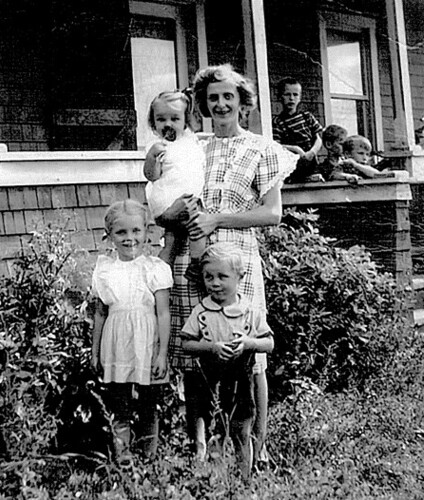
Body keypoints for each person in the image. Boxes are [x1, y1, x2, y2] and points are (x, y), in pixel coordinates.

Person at [161, 64, 296, 468]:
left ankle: (259, 445)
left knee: (250, 353)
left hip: (238, 260)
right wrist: (175, 213)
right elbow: (164, 200)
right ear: (202, 104)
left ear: (241, 104)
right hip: (191, 258)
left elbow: (271, 213)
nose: (220, 104)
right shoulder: (190, 148)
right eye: (212, 97)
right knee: (193, 351)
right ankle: (199, 446)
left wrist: (218, 219)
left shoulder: (261, 148)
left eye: (228, 97)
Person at [90, 199, 173, 466]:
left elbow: (163, 313)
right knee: (119, 403)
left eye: (136, 231)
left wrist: (162, 354)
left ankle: (149, 456)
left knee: (149, 404)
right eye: (121, 233)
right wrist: (95, 352)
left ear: (147, 232)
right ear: (110, 236)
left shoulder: (154, 268)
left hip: (147, 343)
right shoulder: (105, 269)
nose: (130, 239)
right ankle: (123, 456)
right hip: (116, 343)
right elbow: (100, 313)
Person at [181, 242, 274, 479]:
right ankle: (215, 479)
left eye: (222, 276)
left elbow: (269, 343)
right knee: (214, 431)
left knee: (242, 430)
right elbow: (187, 343)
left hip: (242, 382)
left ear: (240, 276)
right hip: (210, 383)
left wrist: (248, 343)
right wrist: (211, 347)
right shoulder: (201, 312)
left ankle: (244, 480)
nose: (215, 283)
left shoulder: (249, 311)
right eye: (208, 277)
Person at [143, 90, 206, 265]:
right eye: (161, 119)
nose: (168, 124)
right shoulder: (159, 146)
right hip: (169, 200)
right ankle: (188, 265)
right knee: (196, 229)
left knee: (175, 239)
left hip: (188, 198)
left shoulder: (190, 141)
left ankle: (187, 265)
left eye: (175, 119)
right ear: (153, 122)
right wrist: (151, 158)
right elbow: (152, 176)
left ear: (186, 120)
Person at [272, 77, 323, 183]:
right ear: (280, 97)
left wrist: (312, 152)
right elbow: (277, 145)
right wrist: (296, 149)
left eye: (295, 95)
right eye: (287, 94)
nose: (291, 98)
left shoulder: (307, 116)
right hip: (293, 162)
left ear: (300, 98)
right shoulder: (278, 122)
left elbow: (318, 138)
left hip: (310, 159)